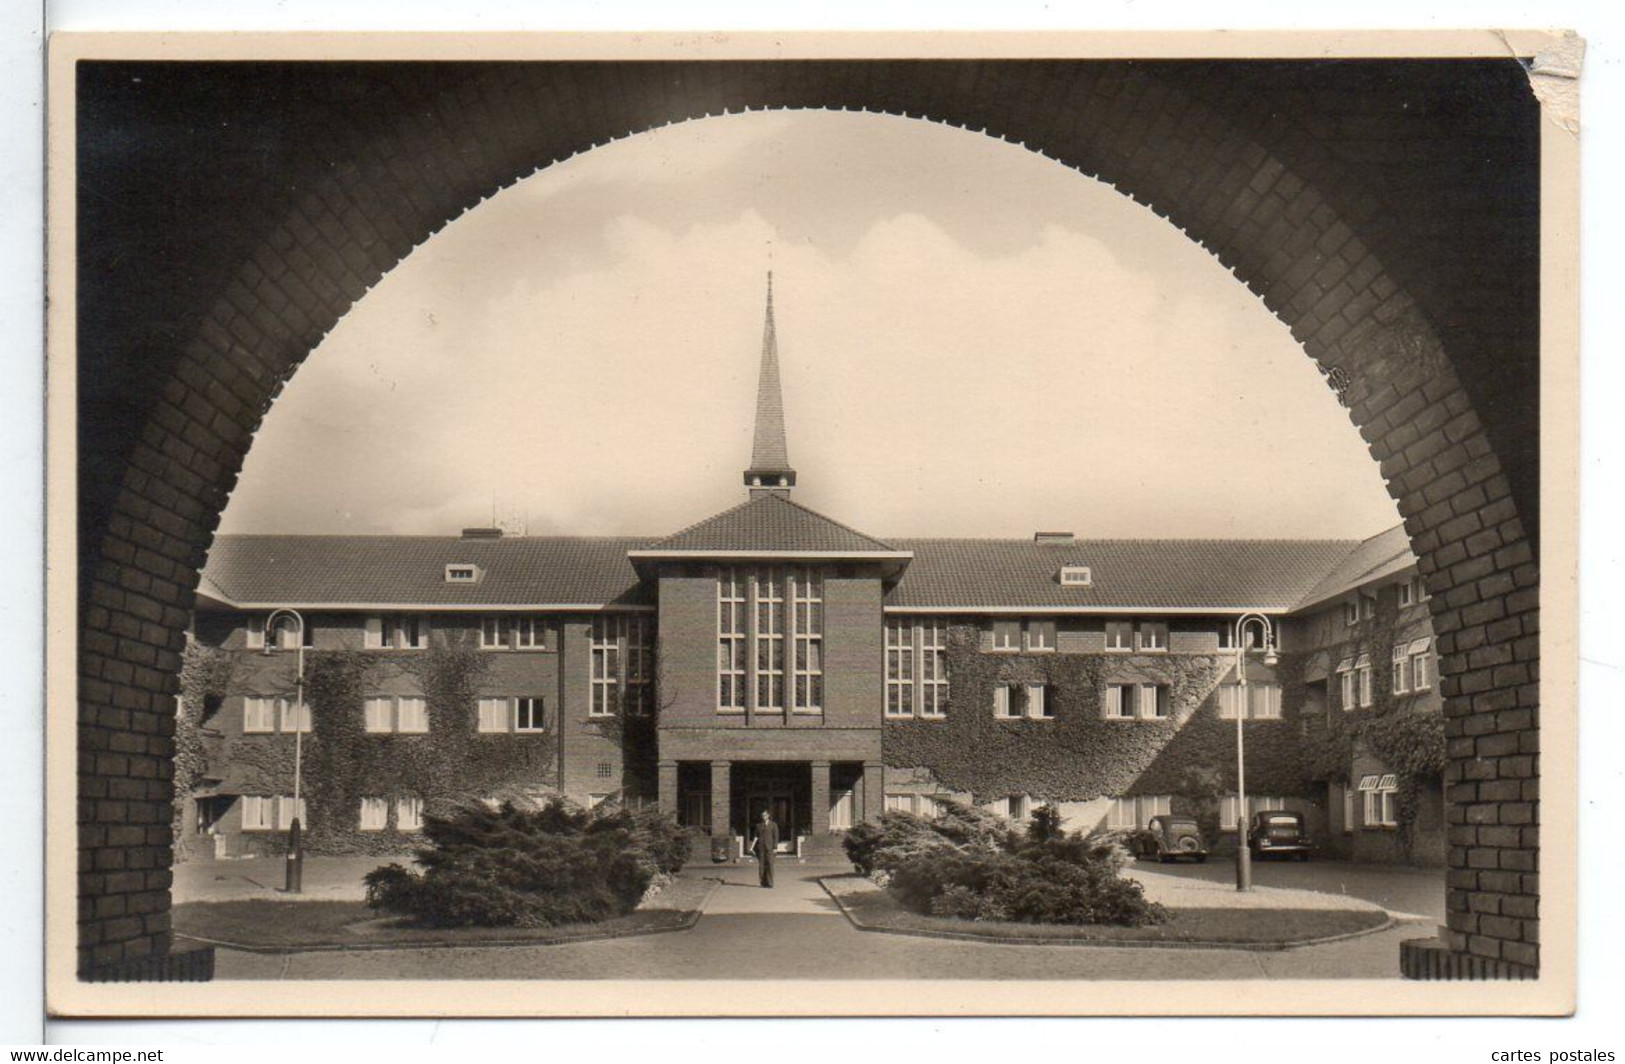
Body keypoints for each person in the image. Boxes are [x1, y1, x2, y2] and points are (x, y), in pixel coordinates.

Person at [752, 809, 779, 888]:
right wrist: (753, 848)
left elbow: (776, 837)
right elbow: (755, 837)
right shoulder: (758, 825)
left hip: (770, 848)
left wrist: (775, 847)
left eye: (765, 815)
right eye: (762, 815)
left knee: (770, 864)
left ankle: (770, 882)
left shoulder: (773, 825)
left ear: (768, 816)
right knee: (761, 865)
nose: (763, 817)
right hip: (761, 848)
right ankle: (763, 882)